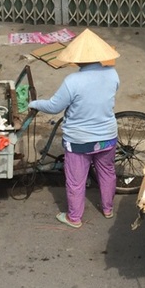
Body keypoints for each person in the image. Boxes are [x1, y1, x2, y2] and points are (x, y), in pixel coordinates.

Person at [28, 29, 120, 229]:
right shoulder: (112, 74)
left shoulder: (72, 81)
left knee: (76, 180)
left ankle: (74, 218)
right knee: (107, 172)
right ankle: (108, 208)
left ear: (77, 59)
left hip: (79, 141)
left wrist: (34, 104)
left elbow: (54, 107)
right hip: (107, 137)